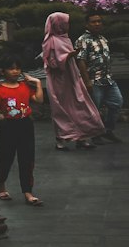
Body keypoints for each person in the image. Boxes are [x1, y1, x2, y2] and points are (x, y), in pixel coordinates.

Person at [42, 11, 104, 149]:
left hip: (72, 78)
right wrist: (69, 56)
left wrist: (71, 56)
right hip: (59, 81)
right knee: (61, 108)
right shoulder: (50, 41)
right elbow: (52, 63)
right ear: (58, 24)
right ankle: (61, 139)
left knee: (79, 105)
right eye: (64, 23)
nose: (67, 26)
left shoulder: (66, 39)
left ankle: (81, 136)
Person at [0, 57, 44, 206]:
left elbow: (38, 100)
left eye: (18, 68)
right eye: (11, 68)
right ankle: (1, 186)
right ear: (3, 71)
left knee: (27, 159)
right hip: (8, 127)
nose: (15, 71)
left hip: (25, 126)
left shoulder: (25, 86)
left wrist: (38, 83)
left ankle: (28, 192)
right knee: (5, 158)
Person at [75, 12, 123, 143]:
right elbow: (81, 61)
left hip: (107, 79)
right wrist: (86, 81)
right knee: (94, 109)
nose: (97, 24)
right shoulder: (83, 40)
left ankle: (107, 130)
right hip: (93, 80)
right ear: (86, 24)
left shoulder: (103, 38)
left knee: (117, 102)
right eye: (93, 22)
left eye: (99, 21)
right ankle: (95, 134)